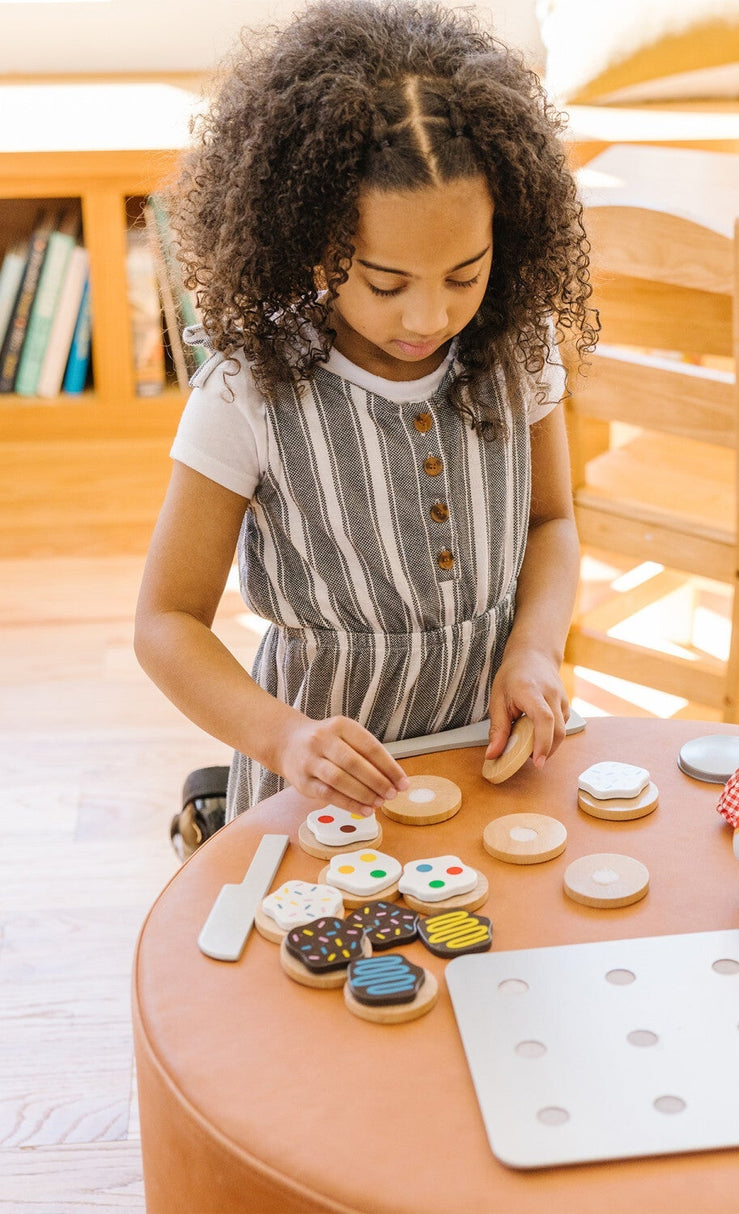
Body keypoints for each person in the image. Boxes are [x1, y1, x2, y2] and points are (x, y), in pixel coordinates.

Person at [135, 0, 596, 830]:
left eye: (465, 274)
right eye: (386, 283)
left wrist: (534, 647)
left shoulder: (517, 352)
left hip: (488, 756)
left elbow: (552, 523)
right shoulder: (248, 392)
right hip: (316, 786)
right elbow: (166, 623)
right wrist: (284, 739)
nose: (427, 318)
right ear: (312, 240)